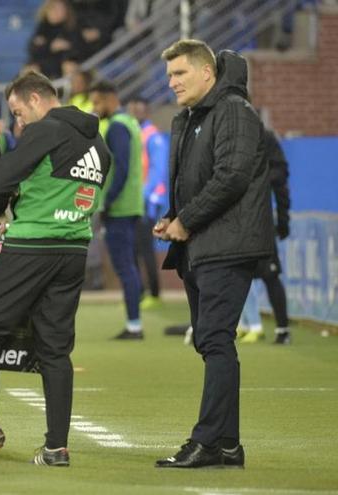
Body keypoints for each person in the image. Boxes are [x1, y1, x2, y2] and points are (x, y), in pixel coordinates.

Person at [0, 70, 111, 465]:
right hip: (74, 248)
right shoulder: (98, 142)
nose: (18, 122)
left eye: (18, 112)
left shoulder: (47, 129)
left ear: (35, 100)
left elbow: (2, 176)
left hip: (33, 244)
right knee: (55, 349)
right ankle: (56, 447)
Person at [153, 40, 273, 468]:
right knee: (212, 342)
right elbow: (193, 180)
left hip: (229, 244)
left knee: (216, 340)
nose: (172, 83)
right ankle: (226, 445)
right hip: (203, 246)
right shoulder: (191, 118)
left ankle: (207, 441)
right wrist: (174, 218)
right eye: (169, 76)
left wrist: (187, 220)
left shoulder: (234, 111)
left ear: (208, 73)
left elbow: (233, 175)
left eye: (180, 74)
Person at [89, 80, 145, 339]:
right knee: (129, 265)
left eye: (97, 101)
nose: (94, 107)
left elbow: (120, 169)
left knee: (125, 267)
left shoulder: (117, 127)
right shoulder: (130, 122)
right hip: (132, 203)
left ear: (111, 98)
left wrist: (108, 201)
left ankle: (134, 325)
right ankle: (134, 322)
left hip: (120, 206)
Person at [237, 127, 292, 345]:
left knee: (270, 274)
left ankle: (282, 329)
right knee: (237, 274)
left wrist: (283, 218)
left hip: (261, 221)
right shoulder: (223, 132)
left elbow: (281, 176)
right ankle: (247, 324)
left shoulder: (264, 136)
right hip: (233, 221)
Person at [127, 95, 169, 310]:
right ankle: (140, 293)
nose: (136, 112)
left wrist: (146, 196)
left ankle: (154, 292)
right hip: (135, 201)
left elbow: (158, 170)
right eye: (133, 108)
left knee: (145, 249)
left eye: (139, 109)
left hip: (146, 202)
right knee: (134, 249)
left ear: (147, 111)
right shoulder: (136, 133)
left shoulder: (153, 136)